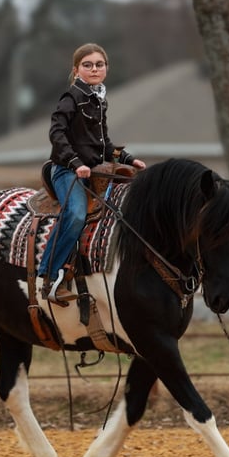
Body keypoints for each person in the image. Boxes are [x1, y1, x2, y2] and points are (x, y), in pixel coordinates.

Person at [38, 43, 146, 305]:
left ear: (106, 68)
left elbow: (103, 143)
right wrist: (75, 163)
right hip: (67, 170)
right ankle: (49, 275)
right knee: (76, 215)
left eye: (99, 64)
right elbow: (56, 134)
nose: (94, 69)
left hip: (92, 171)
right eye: (87, 65)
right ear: (76, 70)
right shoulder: (71, 97)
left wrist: (128, 159)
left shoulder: (99, 99)